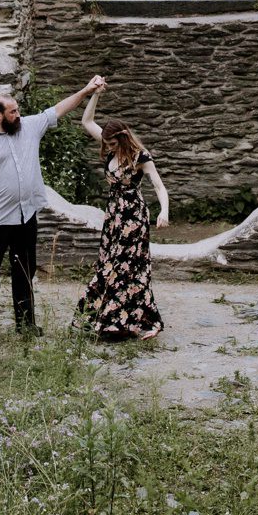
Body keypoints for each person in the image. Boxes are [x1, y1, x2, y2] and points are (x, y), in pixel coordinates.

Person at [0, 75, 104, 339]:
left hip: (25, 217)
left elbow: (60, 108)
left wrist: (86, 90)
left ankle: (26, 324)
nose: (19, 115)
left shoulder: (30, 127)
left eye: (18, 110)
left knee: (24, 272)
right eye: (13, 112)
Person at [74, 86, 169, 341]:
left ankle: (144, 322)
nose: (109, 147)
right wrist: (95, 94)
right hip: (114, 217)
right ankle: (109, 321)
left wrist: (164, 211)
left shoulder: (141, 156)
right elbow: (87, 121)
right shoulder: (110, 147)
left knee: (129, 267)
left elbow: (159, 185)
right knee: (108, 264)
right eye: (107, 143)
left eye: (114, 143)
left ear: (123, 138)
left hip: (133, 216)